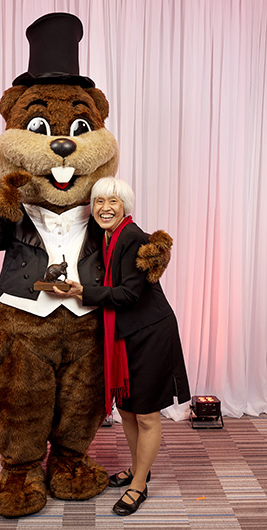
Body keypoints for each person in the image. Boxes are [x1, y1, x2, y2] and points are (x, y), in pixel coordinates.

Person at [54, 177, 191, 516]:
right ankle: (137, 469)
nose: (105, 208)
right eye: (99, 202)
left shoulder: (131, 237)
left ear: (125, 207)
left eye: (113, 202)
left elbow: (129, 294)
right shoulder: (107, 237)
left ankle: (139, 484)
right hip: (126, 335)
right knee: (128, 410)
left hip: (150, 333)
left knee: (146, 414)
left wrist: (79, 291)